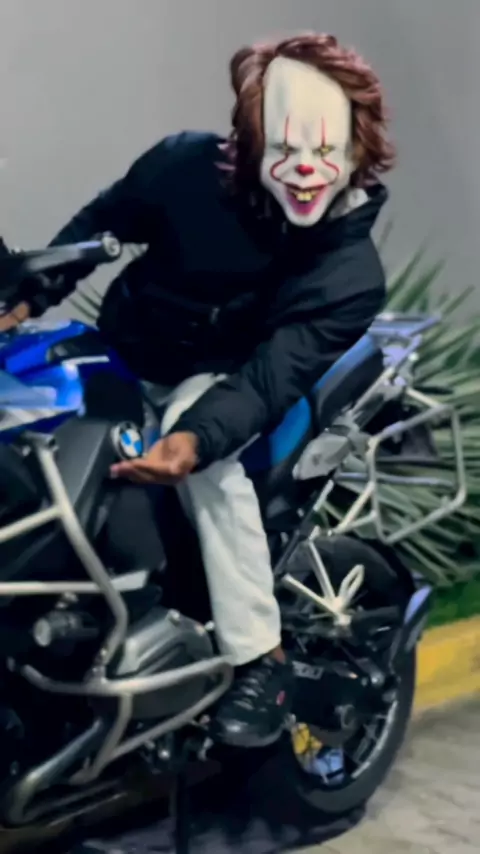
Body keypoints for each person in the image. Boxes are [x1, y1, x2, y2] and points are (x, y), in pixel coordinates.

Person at [0, 33, 395, 748]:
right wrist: (25, 297)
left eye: (327, 148)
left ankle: (259, 657)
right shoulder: (183, 166)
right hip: (123, 349)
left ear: (358, 140)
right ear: (252, 137)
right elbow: (99, 229)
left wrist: (193, 439)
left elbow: (268, 378)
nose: (307, 168)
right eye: (286, 146)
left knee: (208, 470)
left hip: (220, 377)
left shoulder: (348, 271)